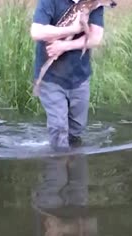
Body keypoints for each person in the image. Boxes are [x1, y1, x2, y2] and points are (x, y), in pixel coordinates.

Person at [30, 0, 106, 151]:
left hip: (79, 77)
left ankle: (73, 163)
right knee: (59, 128)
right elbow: (36, 32)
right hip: (51, 78)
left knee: (77, 129)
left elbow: (95, 38)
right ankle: (58, 165)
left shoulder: (94, 3)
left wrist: (64, 46)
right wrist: (72, 29)